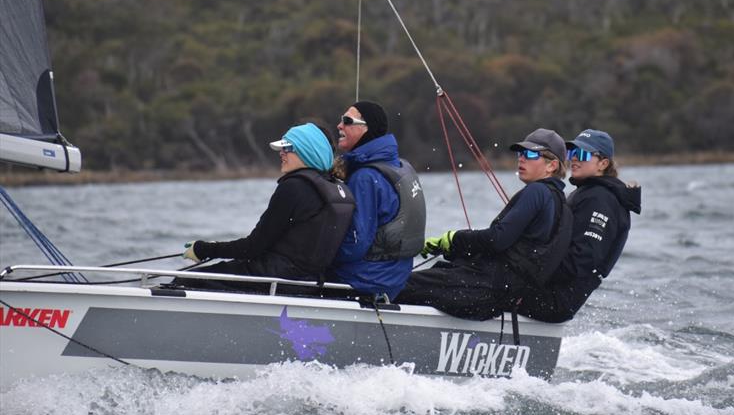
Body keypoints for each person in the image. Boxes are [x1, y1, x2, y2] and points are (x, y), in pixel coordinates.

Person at [396, 128, 573, 320]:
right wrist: (451, 248)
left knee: (396, 284)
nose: (521, 158)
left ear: (552, 165)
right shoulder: (562, 205)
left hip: (487, 290)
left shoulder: (537, 192)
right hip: (504, 294)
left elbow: (498, 239)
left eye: (531, 154)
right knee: (438, 272)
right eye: (520, 153)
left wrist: (454, 239)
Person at [172, 122, 355, 292]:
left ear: (307, 150)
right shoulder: (336, 188)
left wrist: (203, 249)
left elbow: (253, 247)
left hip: (278, 276)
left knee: (185, 280)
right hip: (310, 280)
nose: (281, 153)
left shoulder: (295, 187)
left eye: (287, 148)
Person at [516, 129, 641, 322]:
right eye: (572, 153)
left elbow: (583, 259)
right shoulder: (587, 193)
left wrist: (528, 276)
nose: (574, 159)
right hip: (549, 291)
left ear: (603, 163)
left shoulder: (601, 199)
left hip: (555, 299)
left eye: (582, 154)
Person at [327, 100, 426, 300]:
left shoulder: (365, 177)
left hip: (368, 279)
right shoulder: (399, 165)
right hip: (394, 277)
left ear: (367, 129)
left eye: (347, 120)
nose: (339, 126)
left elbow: (356, 243)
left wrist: (320, 257)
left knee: (299, 275)